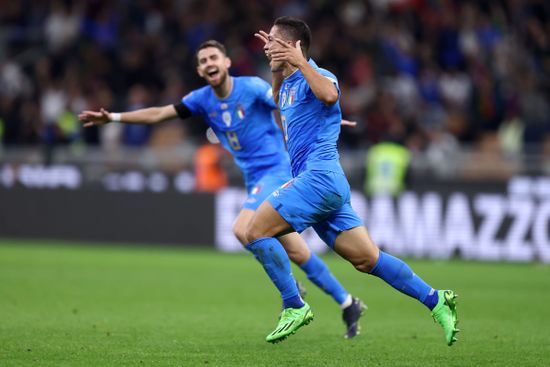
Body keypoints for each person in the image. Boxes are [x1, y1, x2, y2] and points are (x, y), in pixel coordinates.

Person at [79, 40, 366, 339]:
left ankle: (292, 298)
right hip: (254, 178)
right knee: (296, 251)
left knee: (243, 228)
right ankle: (347, 302)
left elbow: (287, 103)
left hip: (277, 171)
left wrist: (323, 117)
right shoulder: (202, 99)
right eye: (203, 60)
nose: (209, 63)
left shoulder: (252, 88)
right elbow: (159, 114)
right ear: (200, 70)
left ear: (226, 62)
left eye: (214, 57)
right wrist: (112, 117)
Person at [250, 16, 459, 345]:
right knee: (367, 259)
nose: (266, 45)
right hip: (325, 186)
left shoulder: (319, 74)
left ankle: (294, 304)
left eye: (274, 40)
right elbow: (279, 101)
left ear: (295, 45)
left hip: (318, 179)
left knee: (253, 231)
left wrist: (300, 62)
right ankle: (436, 299)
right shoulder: (288, 83)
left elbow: (330, 96)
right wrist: (277, 66)